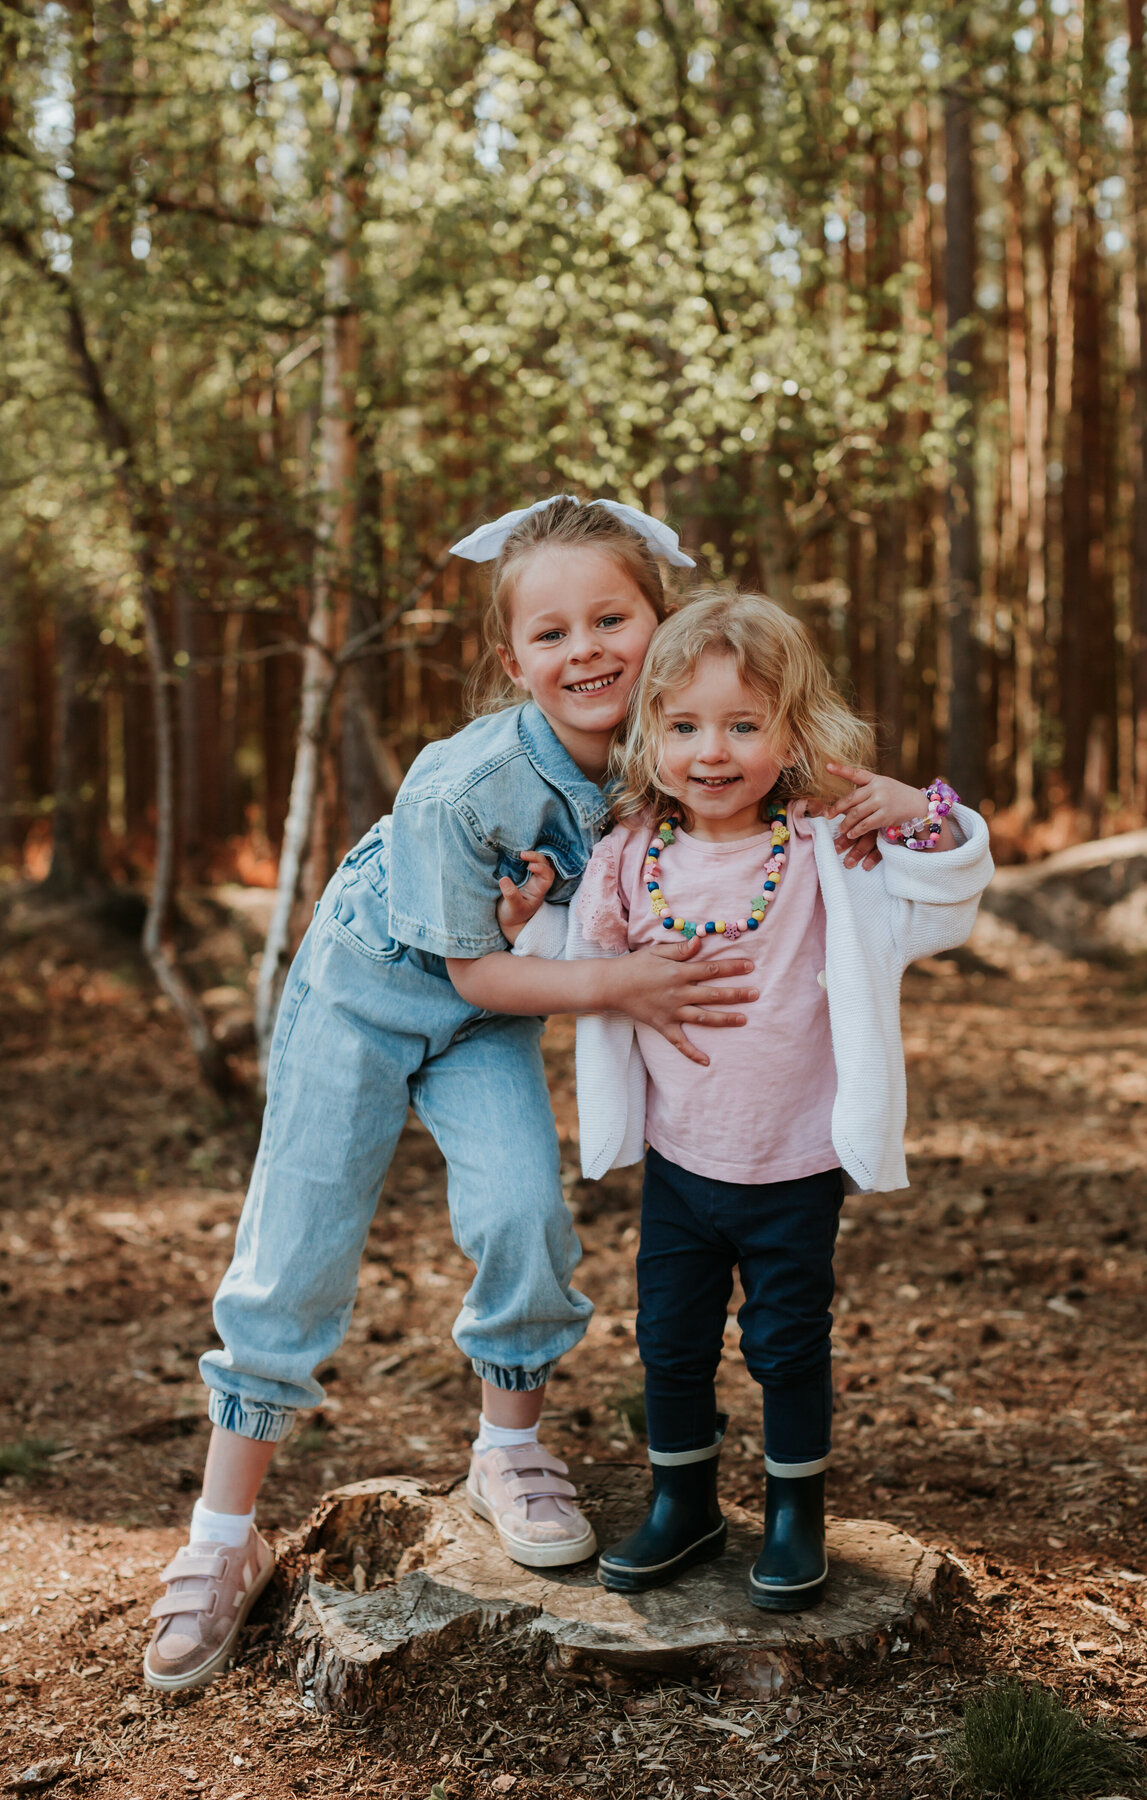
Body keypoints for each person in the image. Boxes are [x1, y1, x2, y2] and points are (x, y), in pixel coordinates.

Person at [143, 496, 773, 1693]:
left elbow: (788, 759)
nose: (584, 649)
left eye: (611, 618)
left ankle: (508, 1449)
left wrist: (908, 807)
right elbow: (472, 962)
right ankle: (222, 1539)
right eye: (551, 633)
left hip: (488, 1023)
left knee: (524, 1214)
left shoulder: (673, 743)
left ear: (663, 622)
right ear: (511, 658)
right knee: (297, 1254)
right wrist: (621, 984)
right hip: (366, 1000)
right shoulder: (463, 785)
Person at [499, 589, 993, 1612]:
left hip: (795, 1160)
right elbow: (582, 958)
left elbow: (944, 904)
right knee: (669, 1339)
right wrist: (526, 926)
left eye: (742, 723)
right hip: (683, 1158)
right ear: (651, 733)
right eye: (683, 726)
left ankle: (793, 1515)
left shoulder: (829, 852)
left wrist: (927, 812)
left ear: (793, 730)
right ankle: (685, 1503)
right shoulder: (633, 852)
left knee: (785, 1341)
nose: (710, 751)